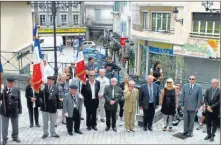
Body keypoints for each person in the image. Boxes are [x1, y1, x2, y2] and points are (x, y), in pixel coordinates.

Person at [0, 78, 22, 145]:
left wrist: (20, 110)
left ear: (13, 83)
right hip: (5, 111)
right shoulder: (3, 90)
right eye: (8, 83)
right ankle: (4, 139)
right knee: (4, 126)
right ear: (6, 82)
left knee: (15, 125)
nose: (9, 84)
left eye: (11, 83)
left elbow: (19, 100)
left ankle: (15, 137)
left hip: (14, 110)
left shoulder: (17, 90)